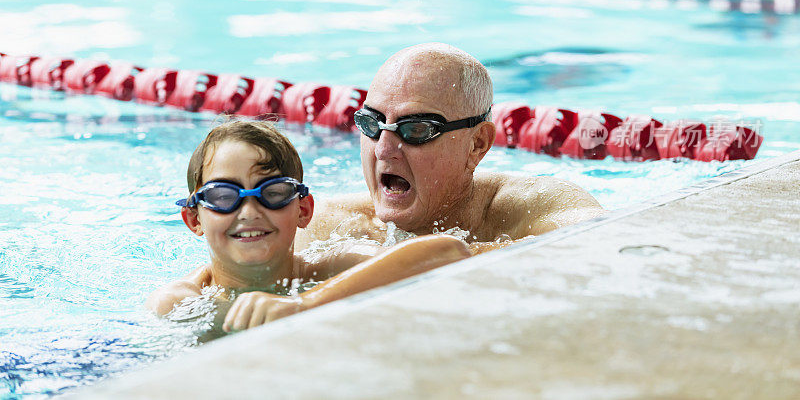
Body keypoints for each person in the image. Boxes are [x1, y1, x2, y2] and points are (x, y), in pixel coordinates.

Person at [146, 119, 469, 331]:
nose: (249, 210)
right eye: (223, 195)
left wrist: (305, 304)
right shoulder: (184, 301)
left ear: (303, 210)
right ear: (193, 219)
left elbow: (449, 251)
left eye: (273, 193)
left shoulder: (330, 268)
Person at [296, 43, 605, 253]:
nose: (383, 149)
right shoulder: (329, 226)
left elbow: (605, 247)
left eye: (416, 129)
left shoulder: (538, 209)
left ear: (477, 145)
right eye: (371, 125)